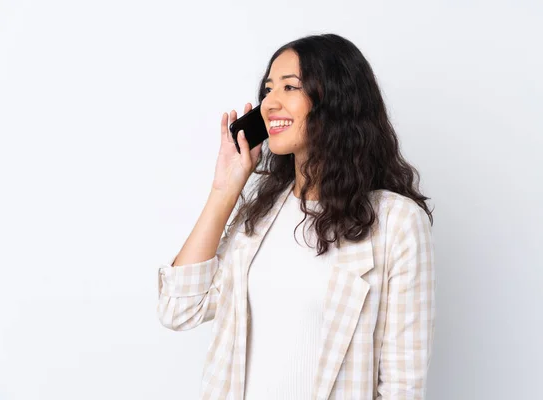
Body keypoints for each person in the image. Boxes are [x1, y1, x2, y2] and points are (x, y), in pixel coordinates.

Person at [157, 33, 436, 399]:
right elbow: (179, 308)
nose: (270, 103)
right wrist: (224, 191)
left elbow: (403, 385)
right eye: (268, 89)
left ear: (335, 101)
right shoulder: (260, 214)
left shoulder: (396, 222)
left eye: (290, 87)